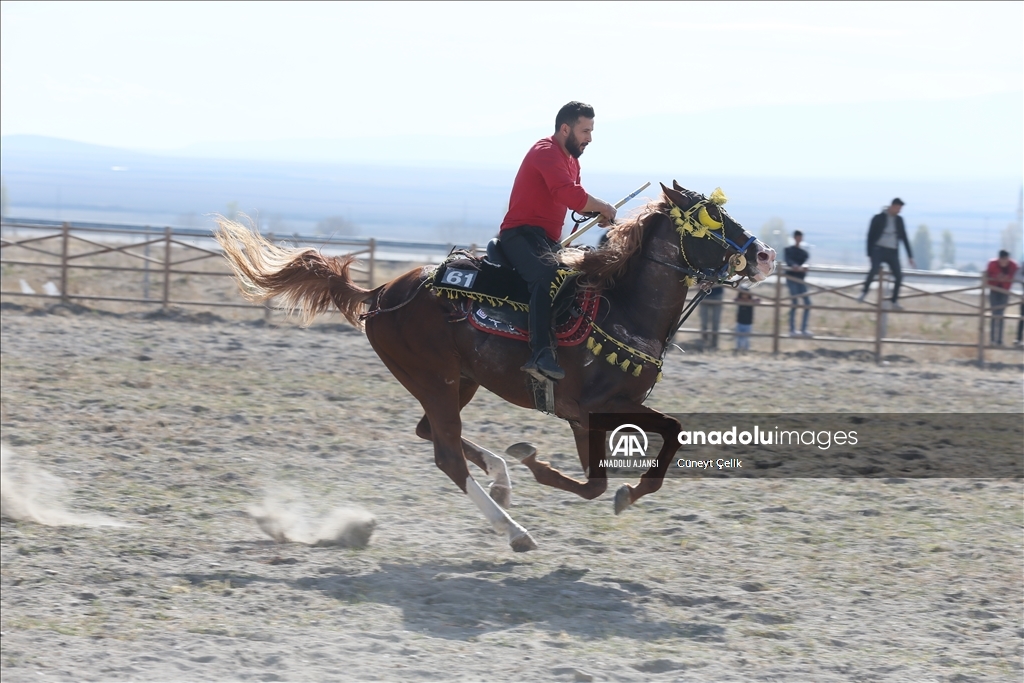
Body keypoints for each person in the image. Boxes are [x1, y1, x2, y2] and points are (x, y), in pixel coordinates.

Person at [499, 101, 617, 381]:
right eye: (585, 130)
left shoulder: (572, 161)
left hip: (545, 240)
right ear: (565, 129)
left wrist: (596, 212)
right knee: (546, 276)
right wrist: (602, 206)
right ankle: (540, 353)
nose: (590, 138)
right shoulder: (545, 152)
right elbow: (570, 194)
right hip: (520, 234)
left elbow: (576, 200)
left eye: (591, 131)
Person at [857, 198, 915, 309]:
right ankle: (864, 292)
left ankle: (894, 301)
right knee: (874, 269)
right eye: (898, 208)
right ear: (892, 206)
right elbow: (870, 236)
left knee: (898, 275)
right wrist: (869, 254)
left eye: (900, 209)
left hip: (892, 251)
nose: (899, 211)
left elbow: (904, 238)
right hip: (878, 249)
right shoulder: (878, 218)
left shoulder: (899, 220)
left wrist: (910, 256)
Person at [985, 249, 1018, 346]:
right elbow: (987, 277)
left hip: (1004, 291)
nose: (1004, 262)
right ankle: (992, 340)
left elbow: (1014, 276)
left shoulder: (1013, 265)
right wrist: (996, 277)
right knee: (994, 315)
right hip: (994, 291)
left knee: (1001, 315)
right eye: (1002, 260)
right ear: (998, 259)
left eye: (1005, 260)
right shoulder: (992, 264)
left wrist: (1006, 278)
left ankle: (1000, 340)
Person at [784, 230, 812, 336]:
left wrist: (805, 266)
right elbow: (789, 261)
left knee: (807, 303)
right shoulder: (788, 250)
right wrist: (794, 266)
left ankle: (803, 329)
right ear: (795, 237)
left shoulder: (804, 253)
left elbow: (806, 263)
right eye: (798, 237)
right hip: (791, 279)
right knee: (795, 303)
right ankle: (792, 330)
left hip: (800, 280)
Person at [734, 287, 761, 353]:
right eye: (743, 294)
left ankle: (746, 350)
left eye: (746, 294)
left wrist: (749, 301)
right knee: (738, 338)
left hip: (748, 323)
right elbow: (735, 300)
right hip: (740, 322)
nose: (744, 296)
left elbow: (758, 300)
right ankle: (738, 349)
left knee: (746, 338)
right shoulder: (740, 301)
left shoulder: (752, 301)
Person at [698, 285, 724, 351]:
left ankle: (714, 345)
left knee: (716, 321)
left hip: (717, 294)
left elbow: (723, 279)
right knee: (704, 321)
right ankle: (704, 343)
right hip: (704, 295)